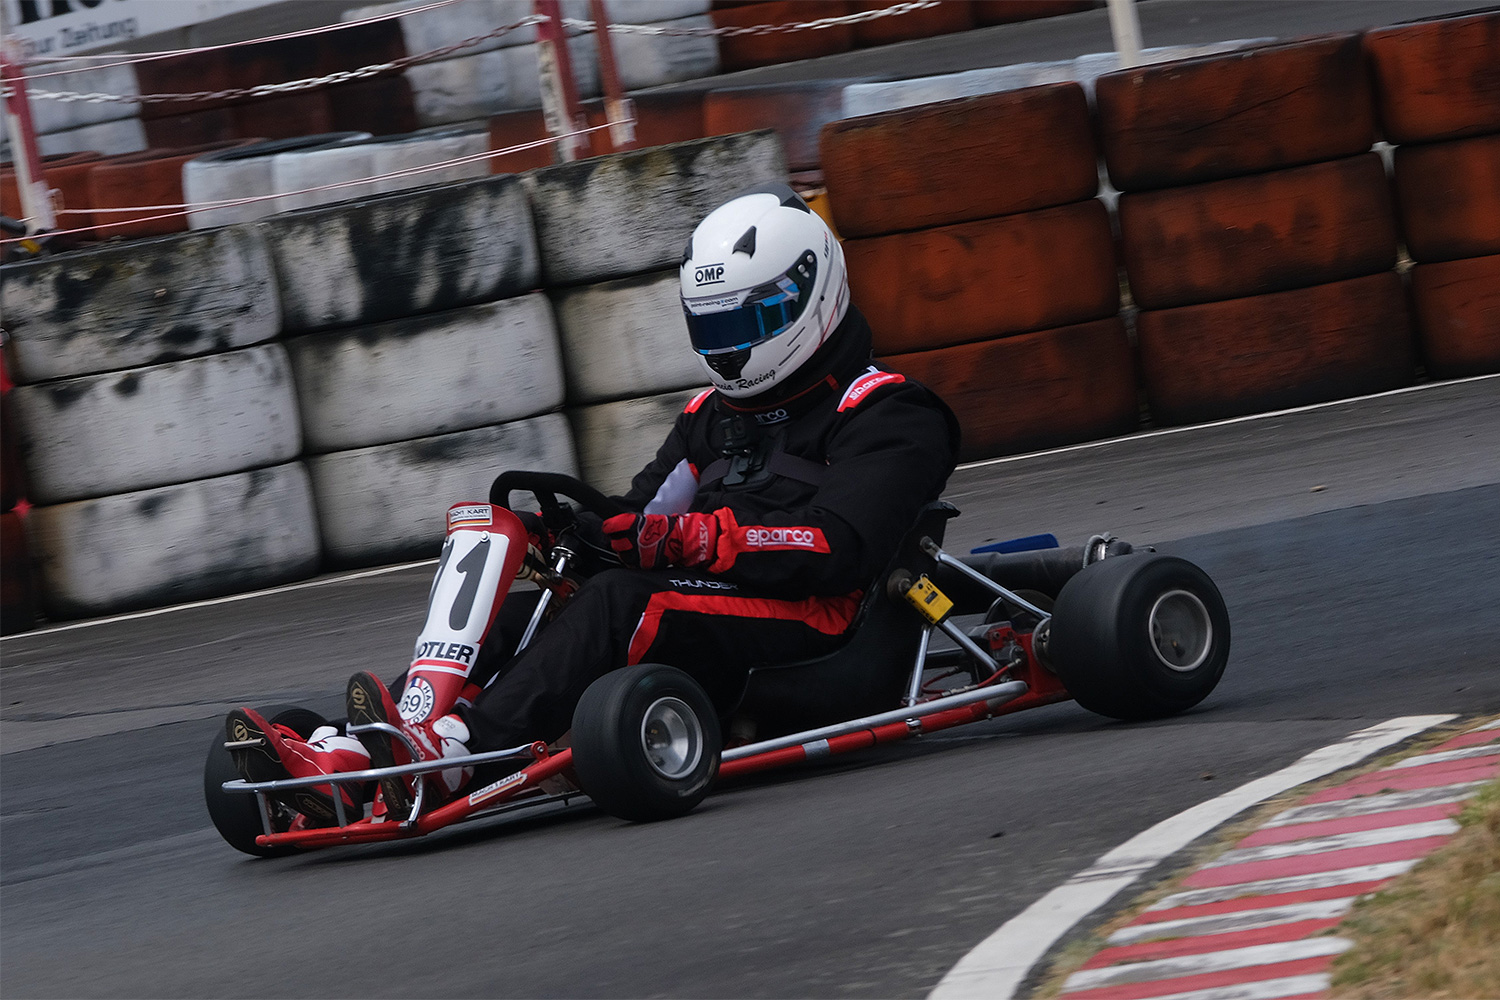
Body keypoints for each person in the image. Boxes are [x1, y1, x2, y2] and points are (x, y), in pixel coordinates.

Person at [225, 182, 960, 824]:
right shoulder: (713, 416)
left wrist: (689, 543)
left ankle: (457, 754)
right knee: (528, 609)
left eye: (747, 324)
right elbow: (639, 515)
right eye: (715, 328)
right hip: (717, 606)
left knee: (621, 601)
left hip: (827, 622)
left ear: (810, 293)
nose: (732, 349)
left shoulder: (890, 412)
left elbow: (842, 546)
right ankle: (360, 751)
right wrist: (581, 533)